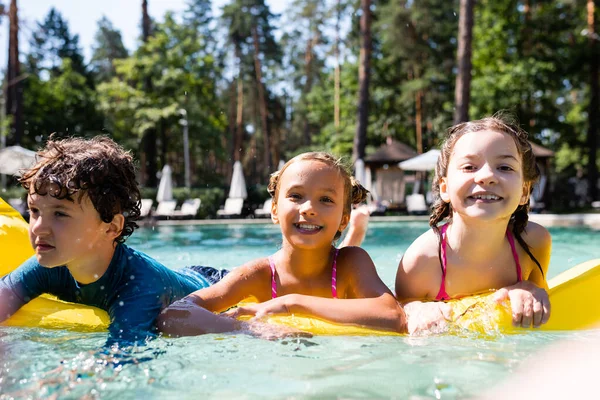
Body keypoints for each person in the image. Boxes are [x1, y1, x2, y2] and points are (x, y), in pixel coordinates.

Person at [0, 136, 227, 345]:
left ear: (111, 227)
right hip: (176, 276)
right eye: (35, 210)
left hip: (213, 284)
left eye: (60, 214)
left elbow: (121, 360)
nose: (39, 227)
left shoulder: (136, 287)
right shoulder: (51, 262)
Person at [157, 152, 407, 336]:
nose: (309, 208)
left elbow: (393, 316)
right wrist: (246, 328)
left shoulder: (350, 263)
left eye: (326, 199)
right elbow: (173, 315)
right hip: (205, 275)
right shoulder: (260, 275)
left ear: (343, 219)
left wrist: (290, 303)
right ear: (274, 210)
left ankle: (356, 233)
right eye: (296, 196)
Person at [396, 116, 552, 330]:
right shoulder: (423, 260)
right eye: (469, 167)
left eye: (505, 167)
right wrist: (415, 308)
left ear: (525, 191)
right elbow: (401, 308)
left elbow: (542, 297)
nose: (487, 176)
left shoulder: (533, 242)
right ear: (445, 188)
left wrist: (529, 287)